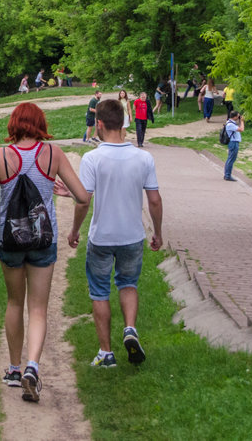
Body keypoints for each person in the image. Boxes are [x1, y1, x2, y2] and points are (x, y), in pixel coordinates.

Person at [0, 102, 89, 403]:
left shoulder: (0, 156)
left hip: (8, 241)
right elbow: (84, 197)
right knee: (38, 308)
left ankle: (13, 369)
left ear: (13, 124)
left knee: (14, 302)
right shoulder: (53, 154)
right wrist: (67, 207)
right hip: (42, 241)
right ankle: (32, 367)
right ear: (40, 123)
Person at [68, 99, 163, 369]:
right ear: (123, 123)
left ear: (99, 124)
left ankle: (106, 353)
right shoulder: (143, 158)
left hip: (102, 238)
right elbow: (154, 200)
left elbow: (84, 200)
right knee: (128, 284)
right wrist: (157, 232)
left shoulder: (93, 158)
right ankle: (130, 329)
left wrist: (74, 230)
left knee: (100, 291)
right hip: (132, 235)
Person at [223, 111, 244, 182]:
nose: (239, 117)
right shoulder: (230, 125)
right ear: (234, 117)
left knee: (230, 159)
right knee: (231, 159)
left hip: (234, 142)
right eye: (238, 116)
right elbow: (241, 129)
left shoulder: (230, 122)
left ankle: (227, 175)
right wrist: (242, 121)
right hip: (233, 143)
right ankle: (227, 175)